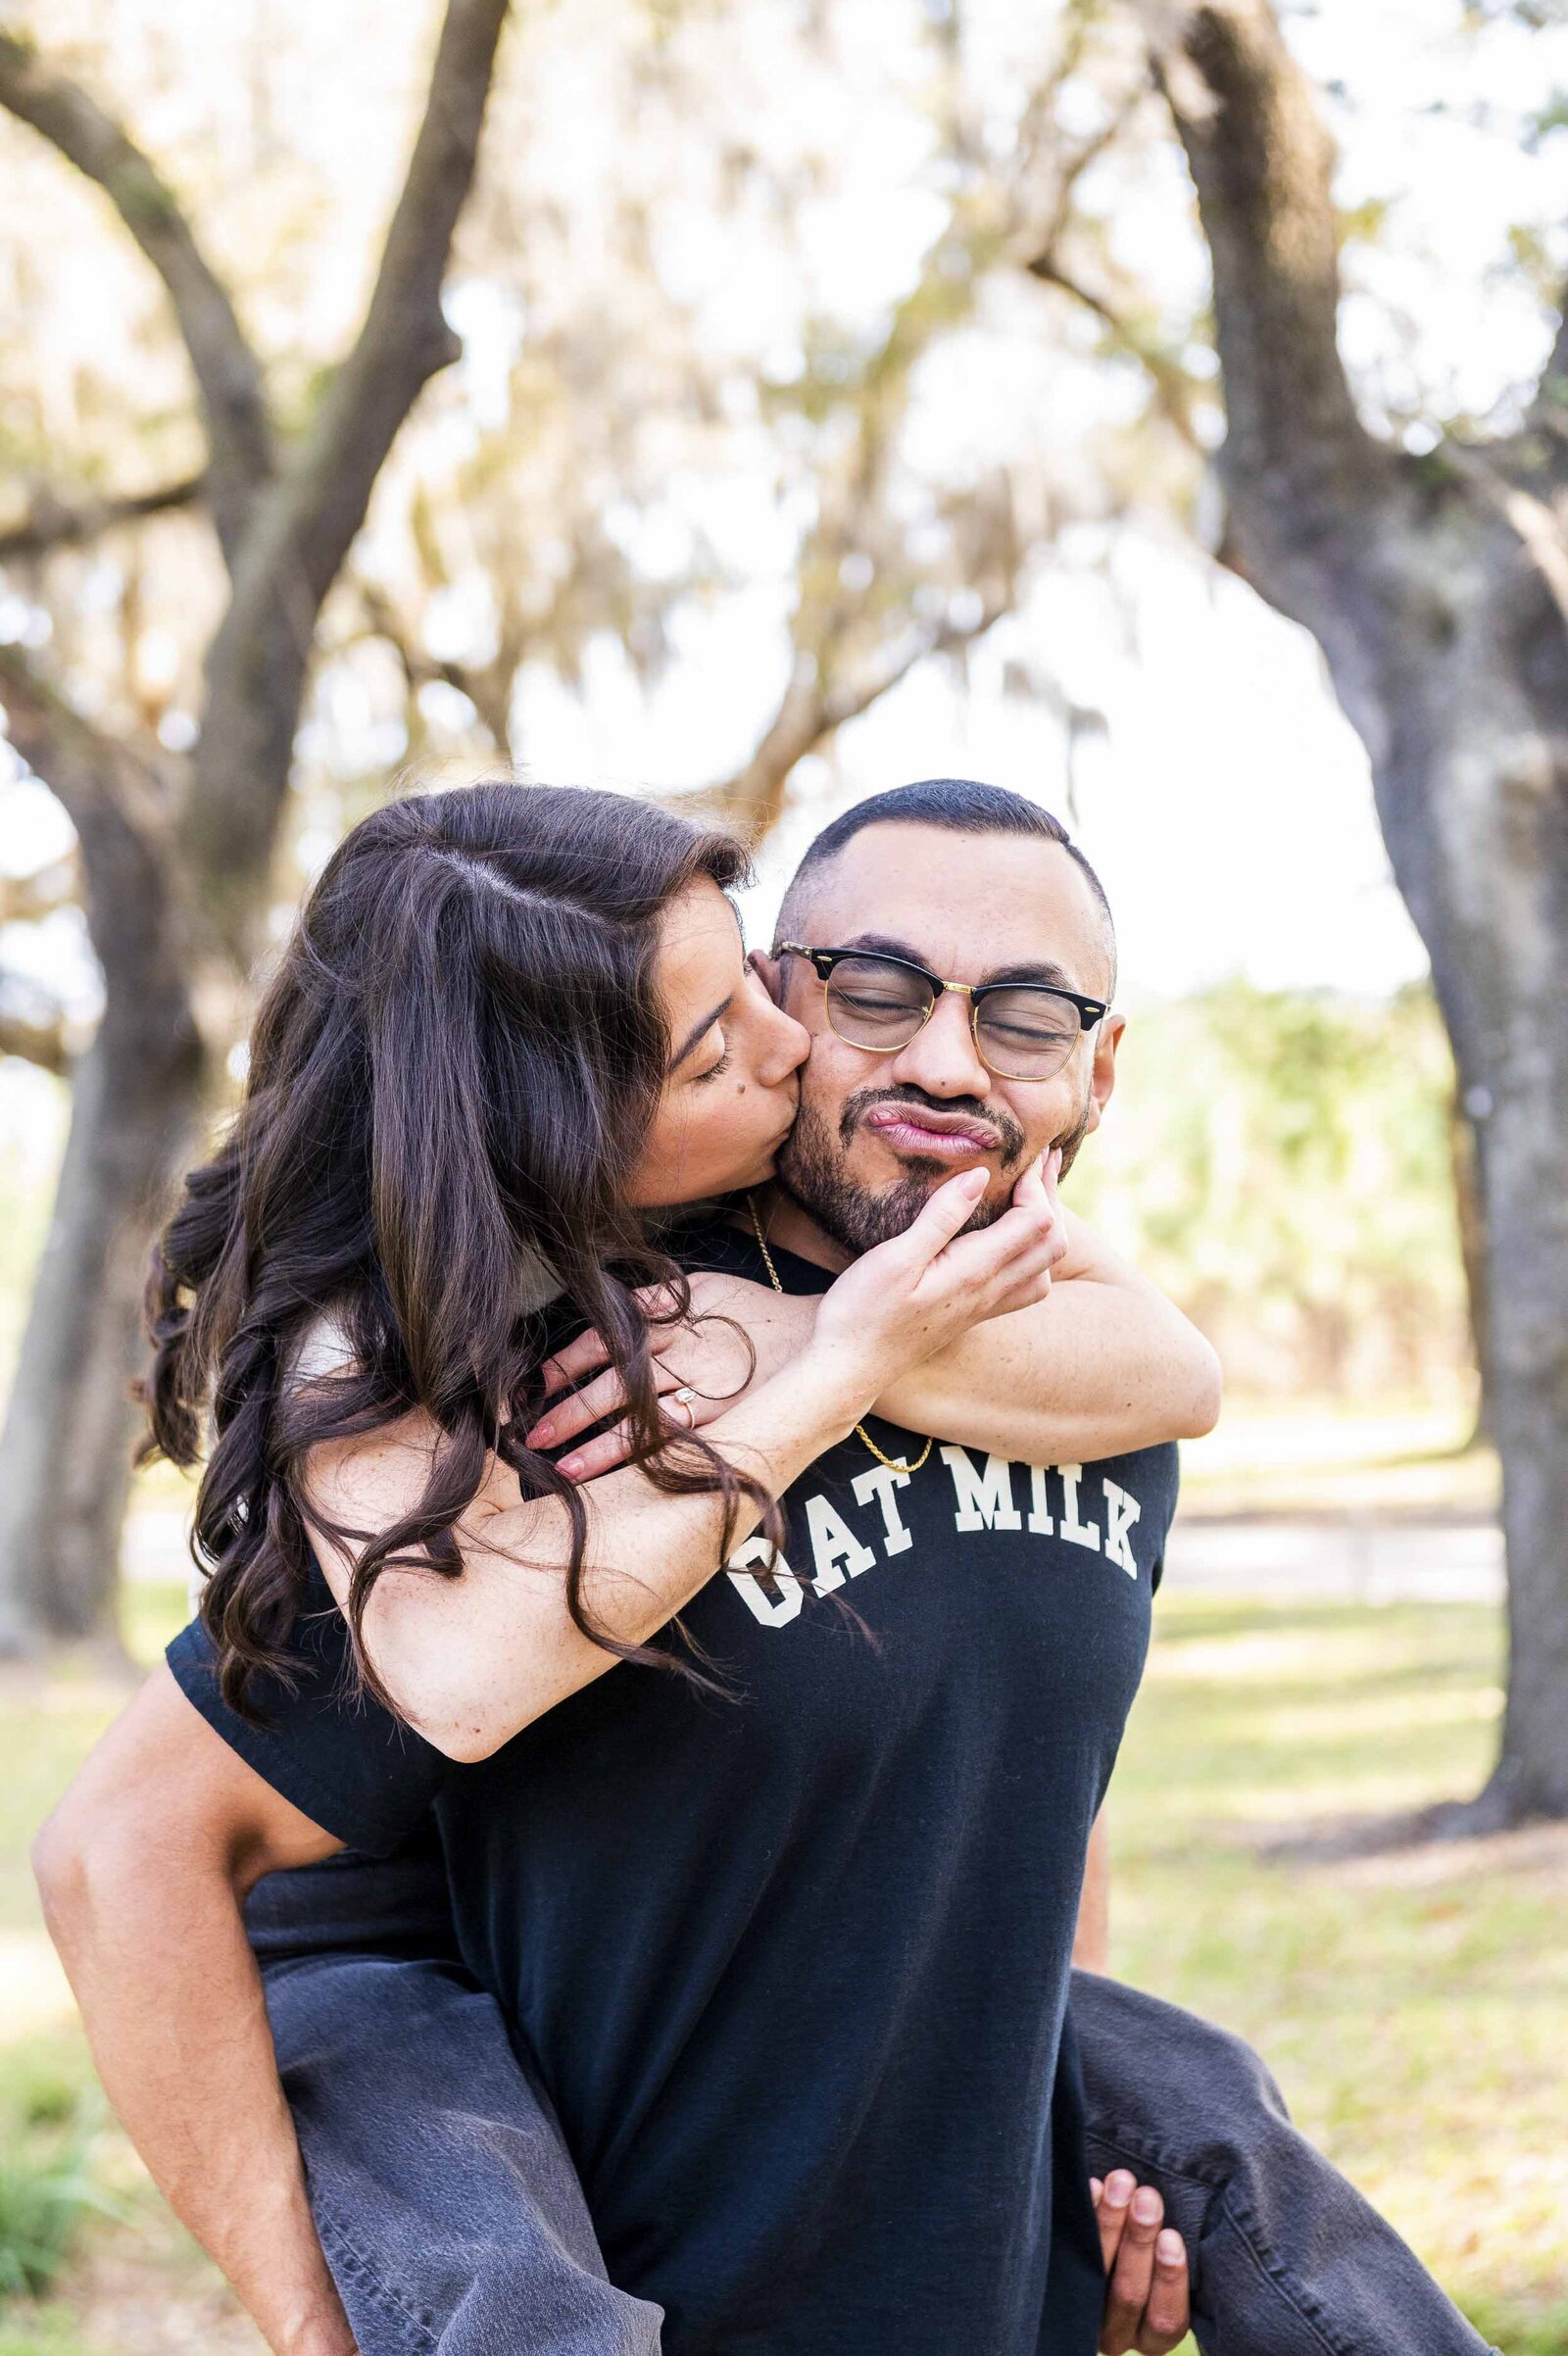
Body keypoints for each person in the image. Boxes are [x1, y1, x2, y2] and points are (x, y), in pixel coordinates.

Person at [34, 781, 1492, 2356]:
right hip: (599, 2264)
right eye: (867, 990)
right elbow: (130, 1849)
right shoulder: (546, 1378)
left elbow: (1020, 1766)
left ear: (1099, 1064)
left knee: (1248, 2151)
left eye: (1024, 1014)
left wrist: (1041, 2195)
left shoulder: (1065, 1362)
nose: (935, 1058)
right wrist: (322, 2324)